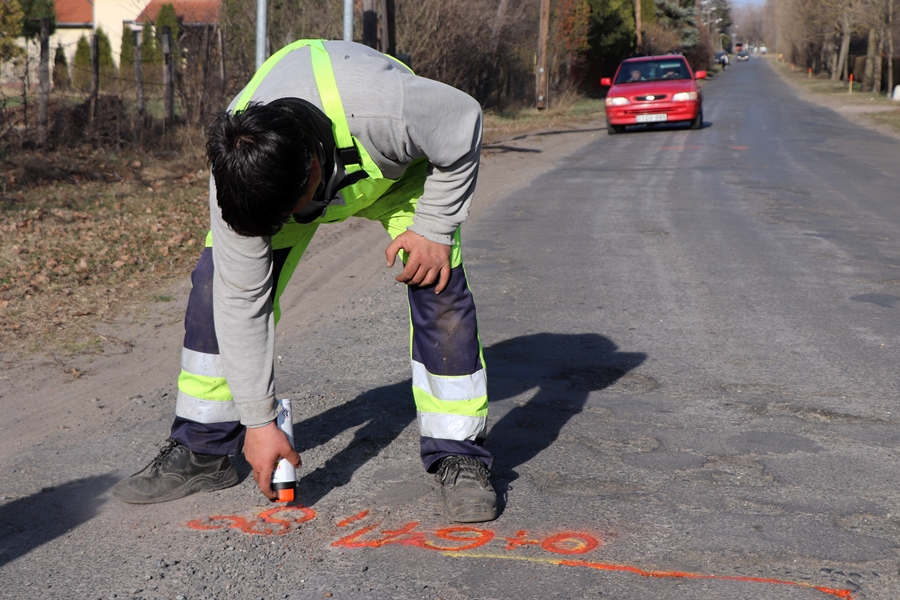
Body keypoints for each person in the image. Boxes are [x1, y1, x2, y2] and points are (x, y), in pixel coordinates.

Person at [112, 39, 497, 524]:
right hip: (285, 190)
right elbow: (242, 299)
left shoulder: (388, 109)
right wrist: (258, 420)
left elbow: (464, 123)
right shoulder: (239, 173)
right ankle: (205, 449)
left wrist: (436, 227)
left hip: (404, 174)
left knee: (437, 287)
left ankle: (459, 454)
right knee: (216, 289)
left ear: (314, 169)